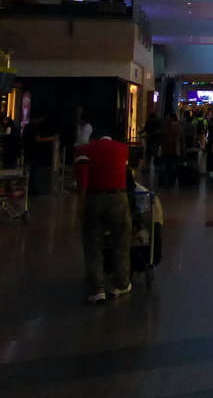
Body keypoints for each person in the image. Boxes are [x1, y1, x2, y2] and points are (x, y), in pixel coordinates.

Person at [74, 130, 131, 303]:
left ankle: (97, 289)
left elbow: (82, 180)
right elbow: (127, 174)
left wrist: (80, 204)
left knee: (93, 245)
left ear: (93, 137)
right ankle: (121, 284)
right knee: (121, 242)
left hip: (94, 198)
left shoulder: (84, 150)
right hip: (118, 198)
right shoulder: (123, 148)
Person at [159, 113, 182, 186]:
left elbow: (181, 141)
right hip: (167, 151)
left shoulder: (178, 128)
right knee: (167, 168)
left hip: (173, 152)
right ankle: (166, 182)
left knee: (172, 168)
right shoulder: (165, 128)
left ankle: (169, 182)